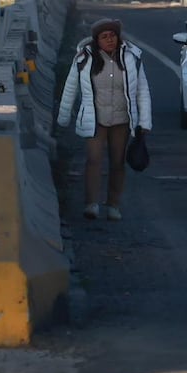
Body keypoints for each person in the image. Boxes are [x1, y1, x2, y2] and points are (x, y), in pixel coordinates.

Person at [57, 18, 152, 221]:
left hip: (122, 121)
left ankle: (113, 205)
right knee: (93, 160)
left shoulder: (131, 58)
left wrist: (145, 122)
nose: (110, 40)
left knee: (117, 163)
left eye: (113, 36)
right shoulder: (84, 58)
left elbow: (142, 90)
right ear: (96, 40)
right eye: (104, 37)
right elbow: (70, 87)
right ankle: (91, 204)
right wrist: (63, 118)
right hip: (95, 120)